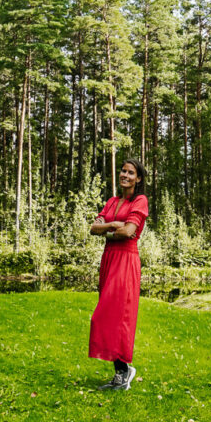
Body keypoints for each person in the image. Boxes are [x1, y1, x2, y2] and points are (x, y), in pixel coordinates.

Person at [88, 159, 149, 390]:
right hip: (109, 259)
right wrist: (114, 223)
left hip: (126, 259)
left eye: (130, 172)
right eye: (123, 171)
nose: (125, 175)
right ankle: (120, 372)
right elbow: (94, 228)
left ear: (138, 178)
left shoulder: (140, 201)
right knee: (105, 314)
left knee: (119, 315)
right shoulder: (112, 201)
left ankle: (124, 372)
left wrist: (109, 229)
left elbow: (128, 232)